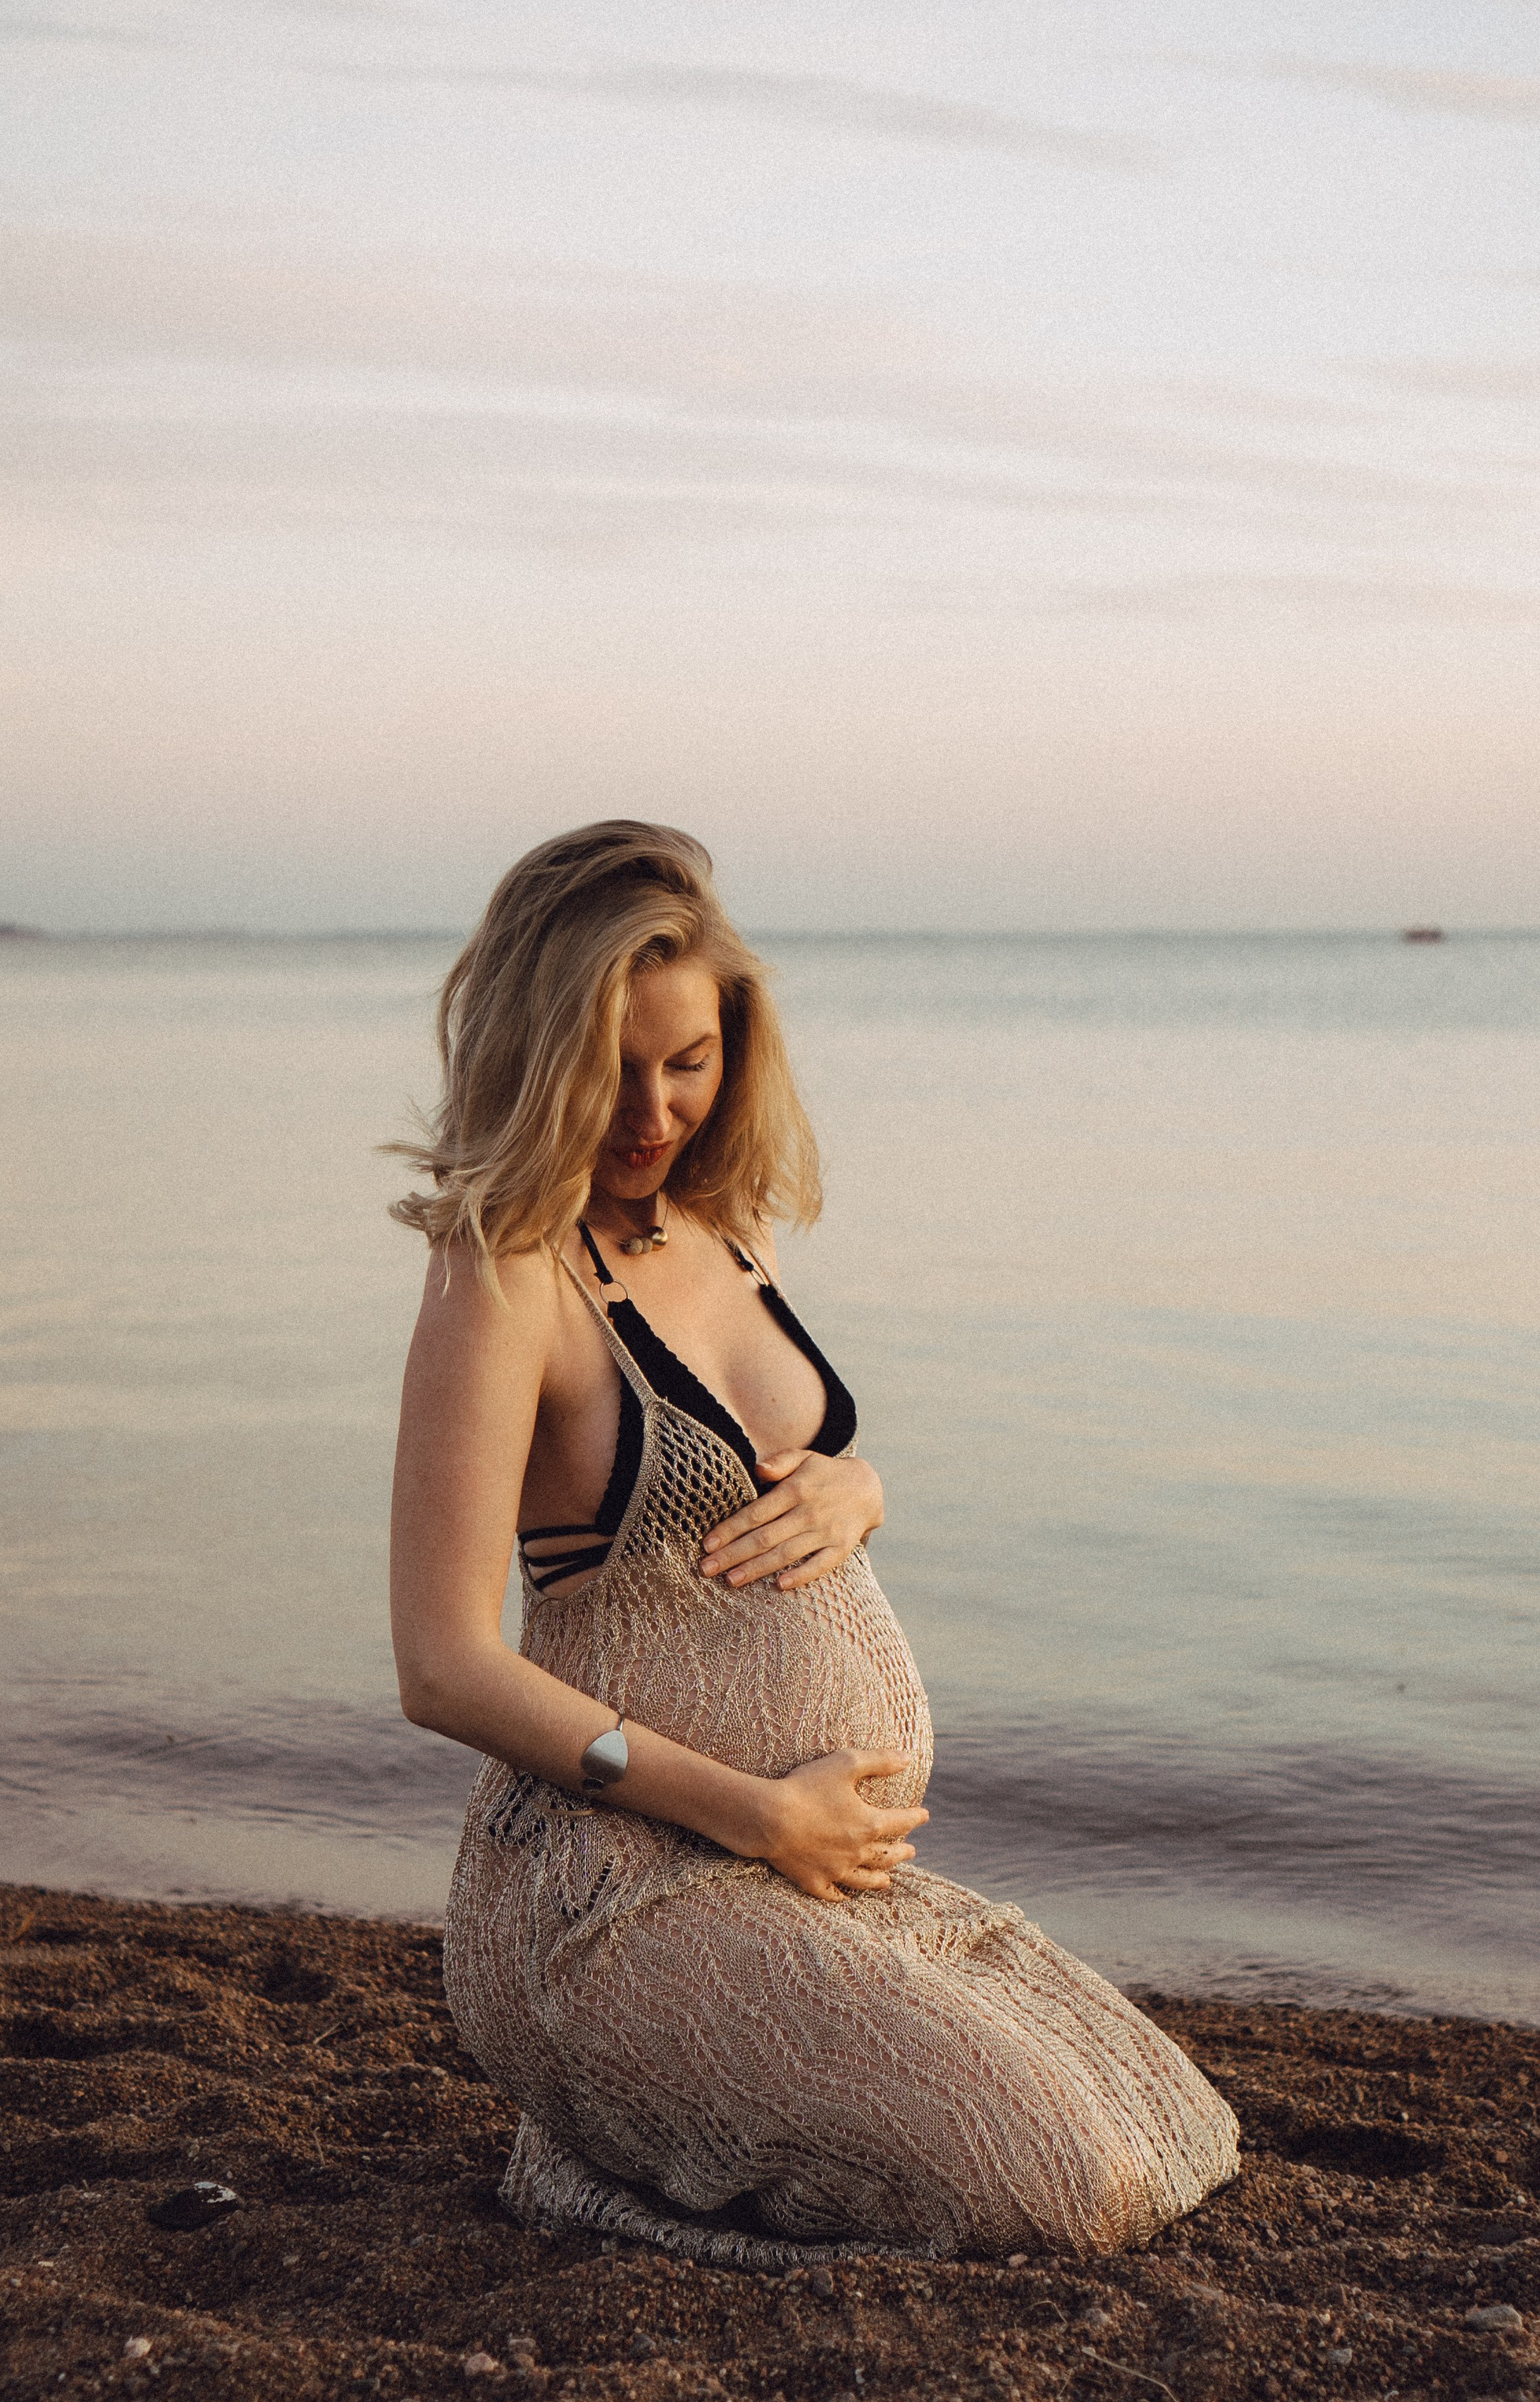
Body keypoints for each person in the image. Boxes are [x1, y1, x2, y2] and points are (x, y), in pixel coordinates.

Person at [389, 820, 1238, 2267]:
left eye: (689, 1060)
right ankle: (582, 2172)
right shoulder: (505, 1275)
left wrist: (858, 1485)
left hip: (794, 1875)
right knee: (1052, 2197)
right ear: (538, 1052)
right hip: (607, 1894)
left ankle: (655, 2124)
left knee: (1171, 2136)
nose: (652, 1110)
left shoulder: (726, 1232)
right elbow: (444, 1667)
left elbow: (760, 1459)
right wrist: (751, 1811)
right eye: (613, 1066)